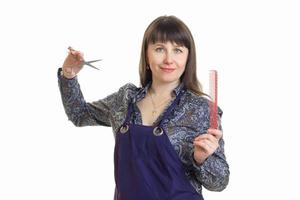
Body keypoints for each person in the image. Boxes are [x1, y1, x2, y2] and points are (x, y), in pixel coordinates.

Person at [58, 15, 229, 200]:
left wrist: (202, 159)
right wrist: (68, 74)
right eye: (159, 49)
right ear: (147, 55)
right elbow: (79, 114)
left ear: (188, 58)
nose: (168, 59)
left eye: (178, 50)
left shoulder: (202, 109)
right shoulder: (125, 99)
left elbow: (220, 182)